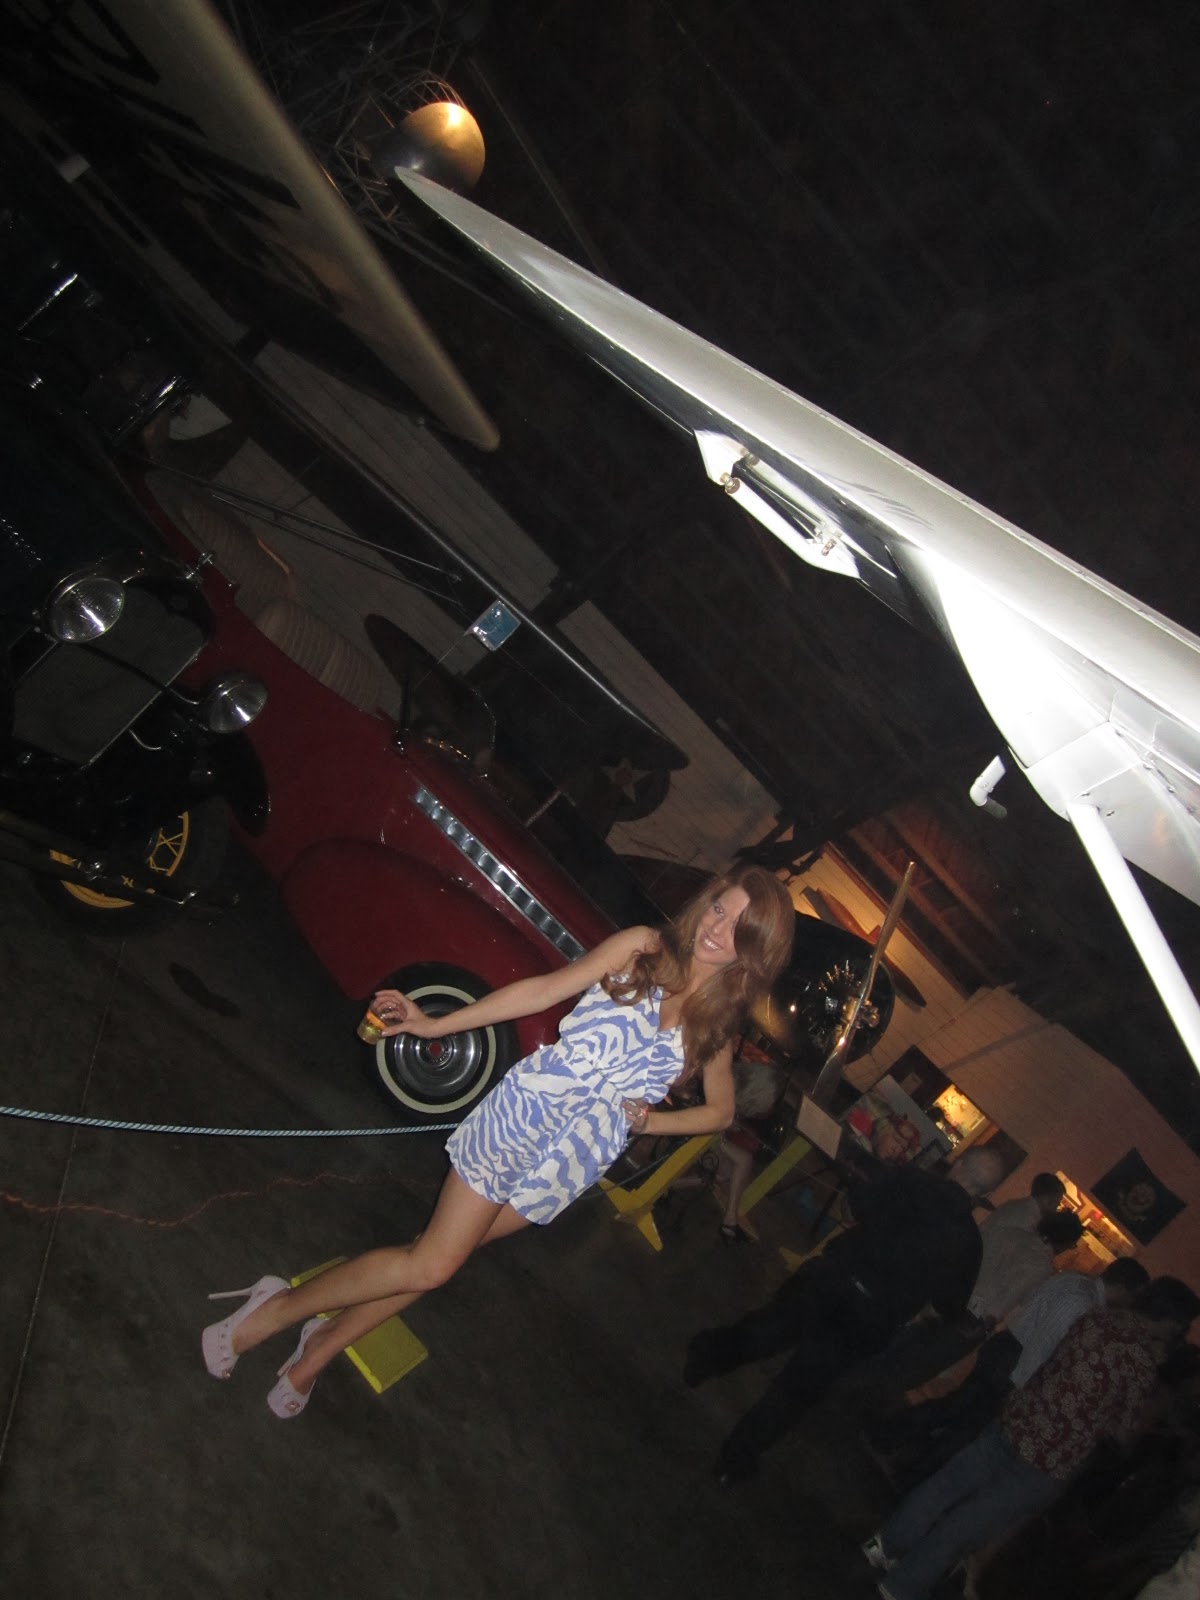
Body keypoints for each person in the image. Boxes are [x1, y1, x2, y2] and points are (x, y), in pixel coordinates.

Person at [200, 865, 795, 1417]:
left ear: (755, 952)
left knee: (433, 1257)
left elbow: (720, 1113)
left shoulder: (715, 1024)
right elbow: (542, 991)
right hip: (524, 1117)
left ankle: (321, 1347)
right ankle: (274, 1309)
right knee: (432, 1265)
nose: (717, 928)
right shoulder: (644, 949)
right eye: (719, 908)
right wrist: (435, 1023)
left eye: (738, 929)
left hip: (573, 1161)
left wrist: (649, 1124)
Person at [683, 1143, 1007, 1485]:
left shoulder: (913, 1180)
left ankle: (706, 1357)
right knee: (799, 1388)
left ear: (959, 1163)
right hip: (871, 1318)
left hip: (832, 1278)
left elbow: (859, 1203)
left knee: (767, 1329)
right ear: (984, 1194)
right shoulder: (969, 1244)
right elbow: (950, 1306)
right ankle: (733, 1460)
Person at [863, 1276, 1200, 1600]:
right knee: (972, 1520)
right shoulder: (1140, 1360)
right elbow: (1122, 1430)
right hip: (1048, 1456)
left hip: (1019, 1418)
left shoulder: (1098, 1319)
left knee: (947, 1483)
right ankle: (904, 1585)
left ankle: (886, 1545)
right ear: (1172, 1320)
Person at [868, 1249, 1147, 1490]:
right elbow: (1045, 1342)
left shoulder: (1073, 1280)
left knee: (957, 1410)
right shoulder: (1083, 1303)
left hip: (1008, 1349)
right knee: (965, 1424)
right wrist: (1022, 1383)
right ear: (1124, 1288)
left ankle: (891, 1442)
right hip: (1016, 1362)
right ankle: (906, 1467)